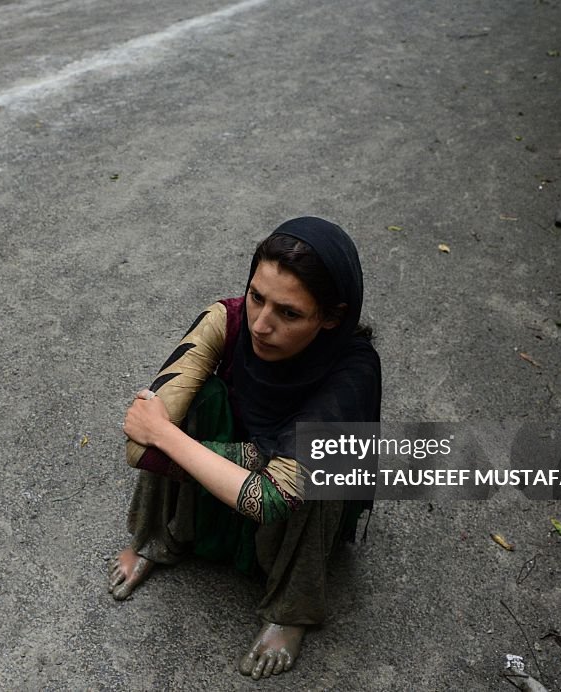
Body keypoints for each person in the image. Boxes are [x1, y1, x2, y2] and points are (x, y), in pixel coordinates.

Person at [109, 216, 382, 680]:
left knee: (327, 467)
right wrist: (255, 461)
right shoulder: (226, 319)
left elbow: (275, 498)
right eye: (257, 297)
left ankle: (291, 610)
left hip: (298, 506)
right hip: (243, 467)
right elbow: (139, 450)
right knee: (203, 398)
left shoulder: (352, 374)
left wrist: (167, 436)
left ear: (332, 317)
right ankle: (159, 537)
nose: (261, 325)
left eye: (289, 313)